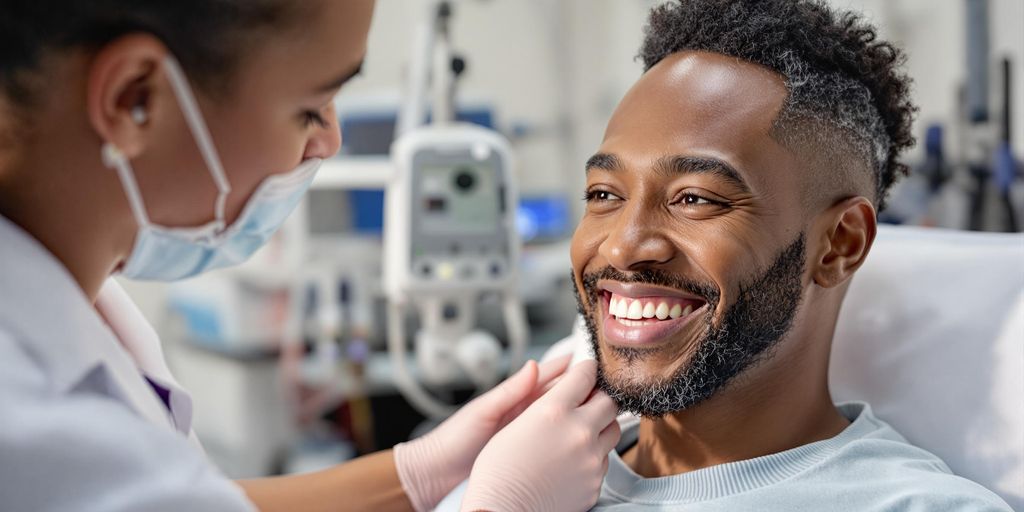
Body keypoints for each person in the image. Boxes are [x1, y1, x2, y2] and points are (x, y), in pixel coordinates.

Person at [0, 1, 621, 511]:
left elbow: (192, 501)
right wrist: (501, 506)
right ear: (135, 97)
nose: (330, 140)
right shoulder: (24, 416)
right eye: (307, 108)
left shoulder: (78, 301)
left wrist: (421, 471)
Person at [436, 0, 1013, 510]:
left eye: (696, 199)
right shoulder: (517, 473)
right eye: (604, 195)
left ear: (840, 244)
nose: (622, 245)